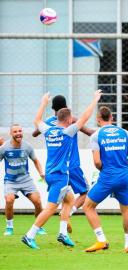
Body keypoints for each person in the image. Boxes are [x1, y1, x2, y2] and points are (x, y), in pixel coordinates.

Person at [21, 90, 102, 250]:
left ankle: (63, 233)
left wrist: (43, 102)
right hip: (60, 175)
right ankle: (29, 235)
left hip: (49, 172)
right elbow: (85, 117)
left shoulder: (49, 130)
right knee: (51, 207)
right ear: (69, 120)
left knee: (69, 200)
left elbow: (36, 120)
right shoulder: (67, 132)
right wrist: (94, 100)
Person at [32, 95, 95, 233]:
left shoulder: (48, 123)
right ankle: (68, 213)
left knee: (66, 197)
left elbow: (34, 133)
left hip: (55, 167)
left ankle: (62, 230)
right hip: (71, 165)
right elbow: (89, 132)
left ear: (53, 108)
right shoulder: (72, 121)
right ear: (66, 107)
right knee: (85, 193)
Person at [83, 106, 128, 253]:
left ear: (98, 120)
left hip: (107, 177)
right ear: (112, 118)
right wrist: (123, 167)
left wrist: (106, 171)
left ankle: (101, 240)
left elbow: (97, 162)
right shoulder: (125, 133)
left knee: (88, 206)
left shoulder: (96, 136)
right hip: (124, 175)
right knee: (125, 210)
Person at [0, 124, 46, 236]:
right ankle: (9, 227)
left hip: (26, 180)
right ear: (11, 133)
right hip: (11, 181)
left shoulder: (27, 146)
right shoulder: (4, 148)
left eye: (20, 131)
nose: (18, 133)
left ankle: (38, 226)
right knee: (9, 200)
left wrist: (41, 173)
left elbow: (35, 160)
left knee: (38, 201)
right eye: (15, 131)